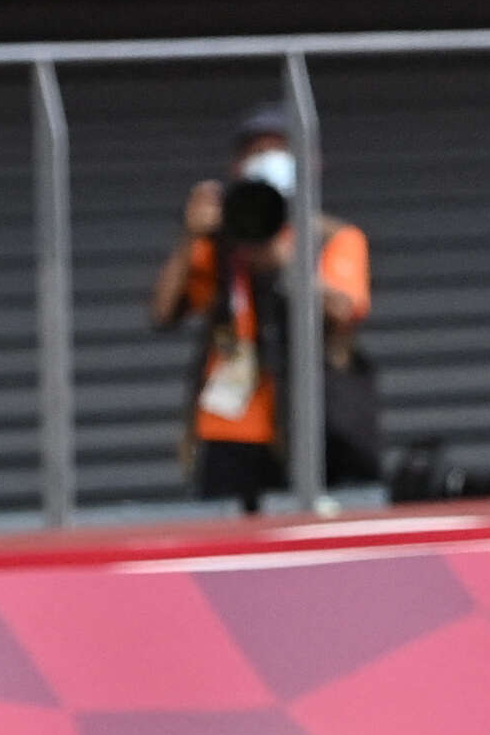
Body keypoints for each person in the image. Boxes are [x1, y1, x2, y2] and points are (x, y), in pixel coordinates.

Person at [148, 104, 377, 512]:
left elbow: (343, 312)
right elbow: (163, 312)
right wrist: (190, 235)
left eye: (279, 150)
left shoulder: (332, 237)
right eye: (256, 151)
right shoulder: (222, 239)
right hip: (231, 427)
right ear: (236, 166)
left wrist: (287, 260)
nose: (267, 160)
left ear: (311, 163)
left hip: (314, 422)